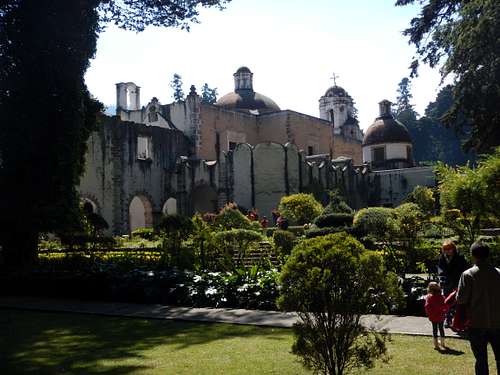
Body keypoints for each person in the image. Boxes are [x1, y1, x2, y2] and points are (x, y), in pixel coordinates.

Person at [456, 241, 500, 375]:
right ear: (488, 255)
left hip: (476, 323)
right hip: (498, 323)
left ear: (473, 255)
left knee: (481, 360)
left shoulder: (468, 275)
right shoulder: (498, 273)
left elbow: (461, 299)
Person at [438, 239, 468, 325]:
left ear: (453, 249)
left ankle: (457, 320)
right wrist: (442, 277)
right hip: (447, 282)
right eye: (445, 249)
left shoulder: (460, 257)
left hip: (457, 282)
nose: (447, 251)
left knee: (456, 301)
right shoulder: (442, 257)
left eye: (449, 249)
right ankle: (448, 319)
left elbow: (464, 269)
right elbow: (440, 269)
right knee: (447, 301)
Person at [425, 281, 448, 350]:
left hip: (433, 316)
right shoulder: (442, 297)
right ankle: (443, 343)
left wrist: (429, 314)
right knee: (441, 329)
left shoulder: (429, 297)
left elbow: (427, 307)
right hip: (441, 315)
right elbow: (445, 305)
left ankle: (436, 344)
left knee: (434, 329)